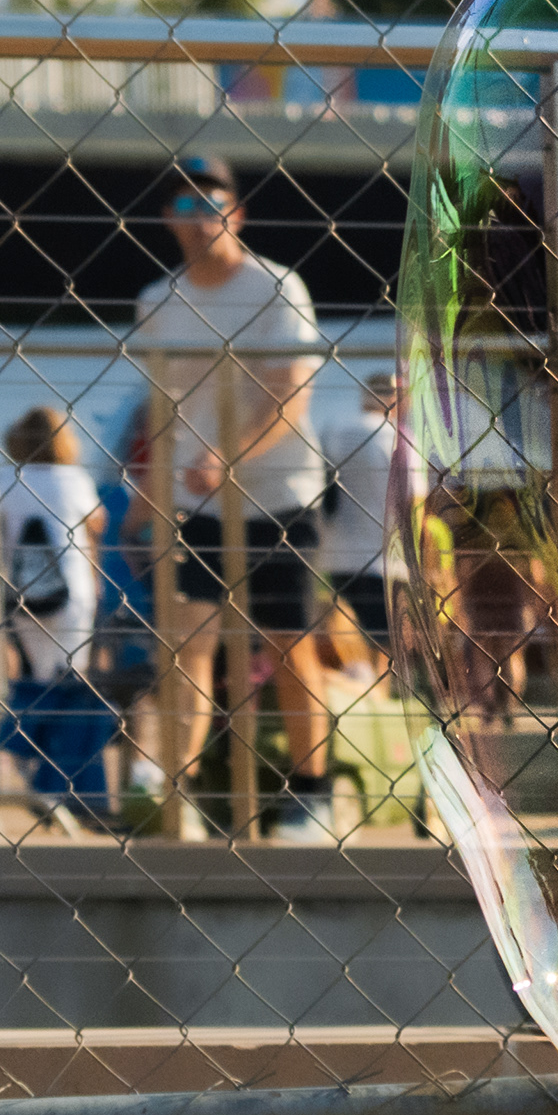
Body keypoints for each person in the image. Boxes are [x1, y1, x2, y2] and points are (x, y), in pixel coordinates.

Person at [134, 153, 336, 841]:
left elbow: (291, 393)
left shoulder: (277, 288)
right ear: (167, 219)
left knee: (287, 645)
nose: (199, 218)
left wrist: (228, 455)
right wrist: (149, 491)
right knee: (188, 645)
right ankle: (178, 793)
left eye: (212, 203)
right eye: (184, 205)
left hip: (279, 496)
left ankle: (312, 794)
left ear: (237, 214)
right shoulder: (157, 301)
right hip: (196, 502)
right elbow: (161, 406)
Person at [0, 405, 116, 825]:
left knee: (37, 678)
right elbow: (97, 525)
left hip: (23, 594)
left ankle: (31, 764)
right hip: (72, 594)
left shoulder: (7, 480)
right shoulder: (74, 480)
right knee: (72, 685)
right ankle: (66, 786)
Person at [315, 367, 407, 657]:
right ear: (395, 398)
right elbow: (414, 502)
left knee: (349, 644)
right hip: (384, 559)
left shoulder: (334, 432)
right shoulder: (398, 438)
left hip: (337, 556)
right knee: (386, 646)